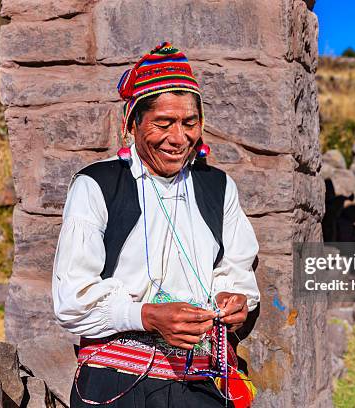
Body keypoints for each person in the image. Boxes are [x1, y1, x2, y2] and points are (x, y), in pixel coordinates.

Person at [51, 41, 260, 408]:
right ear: (133, 123)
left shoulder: (218, 187)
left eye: (189, 123)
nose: (179, 138)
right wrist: (145, 315)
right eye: (163, 123)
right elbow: (71, 301)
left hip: (200, 382)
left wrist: (235, 299)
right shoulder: (96, 186)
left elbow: (236, 270)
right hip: (115, 382)